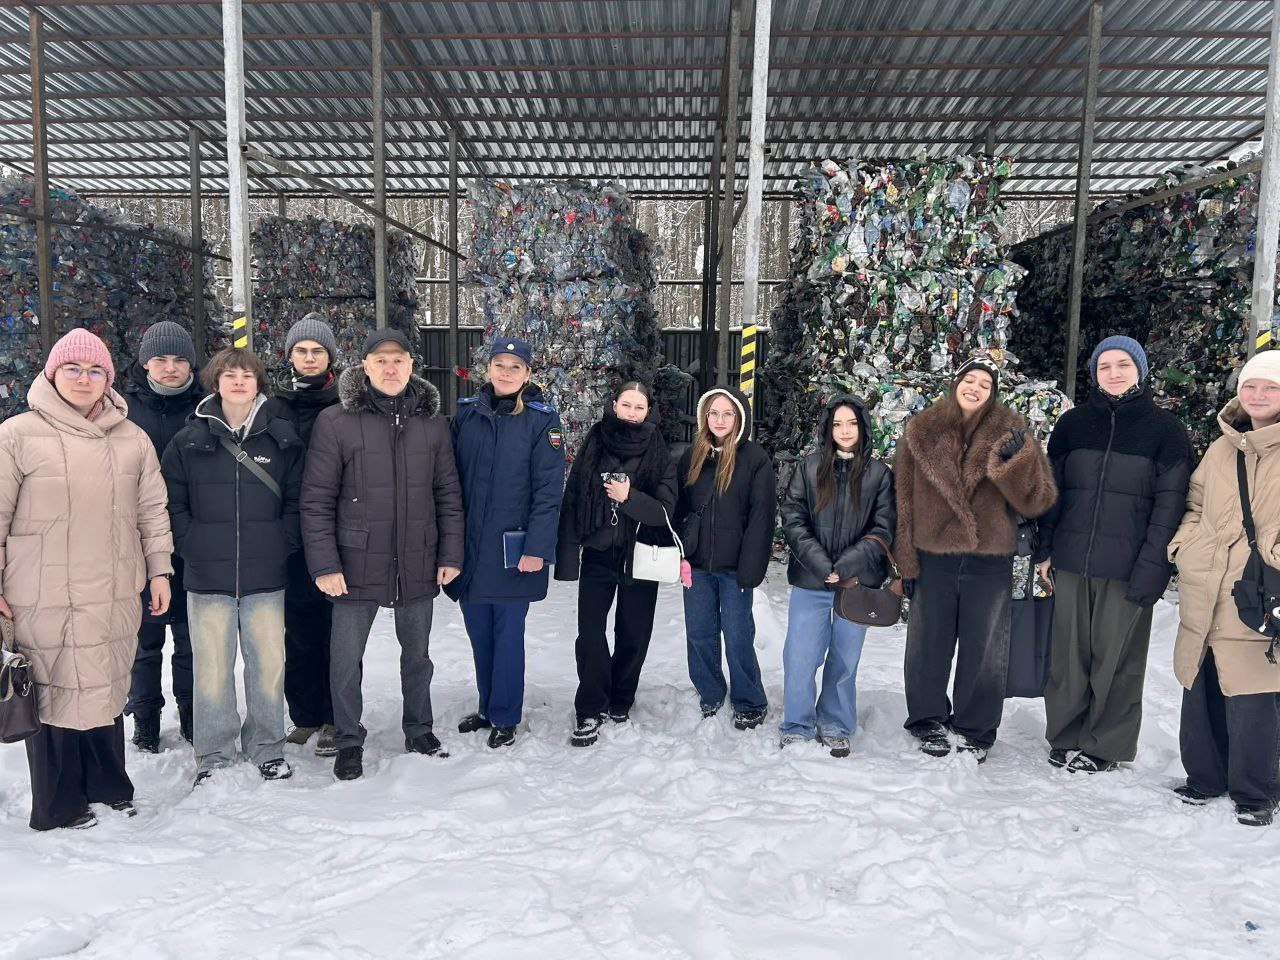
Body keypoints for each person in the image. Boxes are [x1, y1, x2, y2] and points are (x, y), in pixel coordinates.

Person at [0, 328, 173, 830]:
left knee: (104, 684)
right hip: (42, 590)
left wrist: (159, 568)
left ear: (109, 379)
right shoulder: (18, 435)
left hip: (115, 587)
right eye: (73, 368)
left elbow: (151, 510)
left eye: (95, 370)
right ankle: (57, 803)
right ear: (52, 373)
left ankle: (108, 784)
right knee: (54, 690)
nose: (84, 378)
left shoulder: (132, 437)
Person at [302, 329, 464, 781]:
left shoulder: (433, 423)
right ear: (366, 367)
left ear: (412, 366)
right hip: (355, 561)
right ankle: (349, 739)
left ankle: (419, 728)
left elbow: (448, 492)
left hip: (417, 556)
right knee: (345, 657)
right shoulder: (336, 421)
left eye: (399, 360)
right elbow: (316, 499)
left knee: (418, 654)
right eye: (381, 361)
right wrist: (326, 564)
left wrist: (450, 552)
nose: (391, 369)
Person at [1036, 336, 1192, 773]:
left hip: (1127, 567)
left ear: (1141, 370)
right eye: (1105, 366)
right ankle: (1064, 734)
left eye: (1124, 364)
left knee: (1116, 661)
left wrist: (1154, 566)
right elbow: (1053, 493)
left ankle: (1105, 745)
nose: (1115, 373)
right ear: (1094, 374)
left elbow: (1169, 507)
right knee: (1068, 658)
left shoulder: (1165, 431)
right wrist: (1046, 549)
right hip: (1070, 561)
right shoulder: (1072, 425)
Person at [894, 356, 1056, 763]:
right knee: (927, 645)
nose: (975, 387)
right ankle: (928, 718)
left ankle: (975, 727)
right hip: (934, 557)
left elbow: (1037, 501)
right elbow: (904, 501)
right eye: (969, 379)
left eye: (985, 383)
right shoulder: (921, 431)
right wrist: (906, 562)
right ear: (956, 383)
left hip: (989, 560)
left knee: (985, 649)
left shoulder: (1011, 434)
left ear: (993, 392)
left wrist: (1014, 466)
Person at [162, 347, 304, 785]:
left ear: (259, 382)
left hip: (266, 576)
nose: (239, 381)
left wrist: (281, 543)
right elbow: (172, 503)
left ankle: (267, 747)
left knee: (268, 665)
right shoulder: (188, 441)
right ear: (215, 382)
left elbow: (299, 501)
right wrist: (191, 543)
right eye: (229, 374)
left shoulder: (281, 437)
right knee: (212, 669)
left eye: (247, 374)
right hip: (207, 578)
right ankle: (215, 753)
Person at [1168, 351, 1280, 827]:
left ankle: (1256, 791)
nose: (1258, 396)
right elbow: (1195, 502)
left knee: (1253, 692)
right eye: (1251, 386)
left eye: (1270, 387)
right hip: (1206, 580)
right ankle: (1205, 777)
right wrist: (1184, 544)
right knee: (1202, 681)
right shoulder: (1221, 448)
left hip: (1257, 586)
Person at [446, 337, 565, 750]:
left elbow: (549, 492)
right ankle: (487, 705)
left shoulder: (541, 421)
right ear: (488, 369)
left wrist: (537, 548)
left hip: (513, 549)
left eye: (516, 367)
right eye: (500, 365)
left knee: (508, 634)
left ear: (528, 374)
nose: (507, 373)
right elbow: (448, 482)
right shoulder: (466, 415)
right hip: (471, 549)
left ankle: (506, 715)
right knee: (479, 632)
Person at [555, 381, 677, 747]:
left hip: (639, 556)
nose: (632, 413)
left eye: (639, 407)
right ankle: (590, 707)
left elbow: (666, 511)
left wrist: (629, 498)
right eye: (627, 405)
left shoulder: (658, 451)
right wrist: (567, 557)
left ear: (649, 411)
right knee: (590, 634)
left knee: (633, 635)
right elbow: (574, 496)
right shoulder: (595, 441)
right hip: (598, 554)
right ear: (614, 405)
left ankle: (621, 699)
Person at [779, 395, 896, 757]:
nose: (845, 431)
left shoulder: (879, 475)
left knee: (845, 657)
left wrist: (844, 566)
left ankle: (835, 722)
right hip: (811, 579)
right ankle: (796, 723)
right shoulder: (809, 468)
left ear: (863, 428)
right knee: (800, 654)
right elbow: (793, 518)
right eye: (837, 424)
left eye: (852, 424)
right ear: (828, 430)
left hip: (856, 582)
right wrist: (821, 564)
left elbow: (884, 527)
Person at [122, 320, 203, 753]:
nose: (170, 369)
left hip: (193, 541)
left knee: (192, 640)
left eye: (178, 359)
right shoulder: (120, 408)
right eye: (160, 360)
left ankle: (191, 714)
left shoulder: (206, 405)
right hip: (138, 543)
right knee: (144, 641)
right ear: (145, 363)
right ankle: (146, 718)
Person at [675, 385, 776, 729]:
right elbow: (678, 509)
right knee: (700, 633)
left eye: (727, 413)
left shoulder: (754, 459)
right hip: (697, 566)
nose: (719, 420)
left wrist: (751, 568)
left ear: (739, 418)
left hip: (736, 569)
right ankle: (711, 693)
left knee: (737, 635)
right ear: (705, 416)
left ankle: (749, 699)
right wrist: (678, 553)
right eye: (714, 413)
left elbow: (762, 516)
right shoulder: (692, 456)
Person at [275, 313, 342, 757]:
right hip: (289, 537)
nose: (310, 358)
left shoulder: (346, 405)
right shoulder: (274, 404)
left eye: (317, 351)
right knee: (297, 631)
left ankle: (338, 716)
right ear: (290, 357)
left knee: (339, 632)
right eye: (302, 350)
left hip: (337, 535)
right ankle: (305, 715)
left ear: (330, 358)